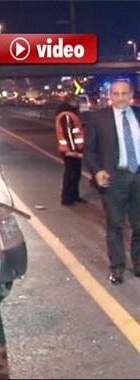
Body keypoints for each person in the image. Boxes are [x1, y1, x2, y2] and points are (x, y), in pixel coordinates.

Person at [84, 80, 140, 285]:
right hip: (114, 178)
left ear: (131, 94)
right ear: (110, 95)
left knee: (139, 225)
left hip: (138, 176)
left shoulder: (138, 114)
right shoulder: (99, 118)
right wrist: (97, 171)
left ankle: (139, 264)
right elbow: (89, 150)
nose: (120, 97)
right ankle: (117, 267)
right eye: (116, 94)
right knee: (115, 225)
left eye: (124, 93)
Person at [55, 97, 86, 205]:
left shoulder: (70, 114)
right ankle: (67, 198)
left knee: (75, 173)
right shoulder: (67, 115)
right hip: (70, 151)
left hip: (74, 150)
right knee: (71, 174)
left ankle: (74, 196)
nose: (77, 104)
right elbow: (68, 134)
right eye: (75, 102)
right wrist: (73, 150)